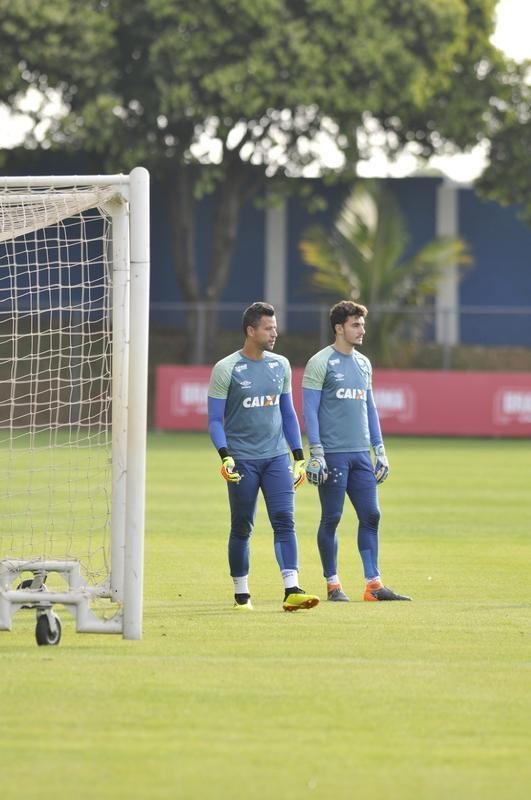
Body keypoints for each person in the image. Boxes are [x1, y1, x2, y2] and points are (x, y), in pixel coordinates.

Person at [208, 301, 320, 612]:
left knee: (285, 521)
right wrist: (225, 457)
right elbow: (216, 420)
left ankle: (292, 589)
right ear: (250, 330)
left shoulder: (280, 365)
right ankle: (242, 595)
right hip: (242, 461)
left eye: (275, 327)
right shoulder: (226, 368)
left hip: (276, 459)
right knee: (242, 526)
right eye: (268, 328)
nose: (275, 332)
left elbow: (287, 412)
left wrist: (298, 456)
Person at [302, 300, 411, 602]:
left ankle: (373, 585)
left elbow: (370, 407)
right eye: (355, 324)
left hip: (361, 453)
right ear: (339, 328)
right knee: (332, 518)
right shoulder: (320, 362)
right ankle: (333, 584)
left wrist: (381, 450)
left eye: (362, 324)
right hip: (333, 455)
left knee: (372, 514)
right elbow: (309, 409)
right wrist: (317, 452)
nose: (362, 329)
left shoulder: (364, 363)